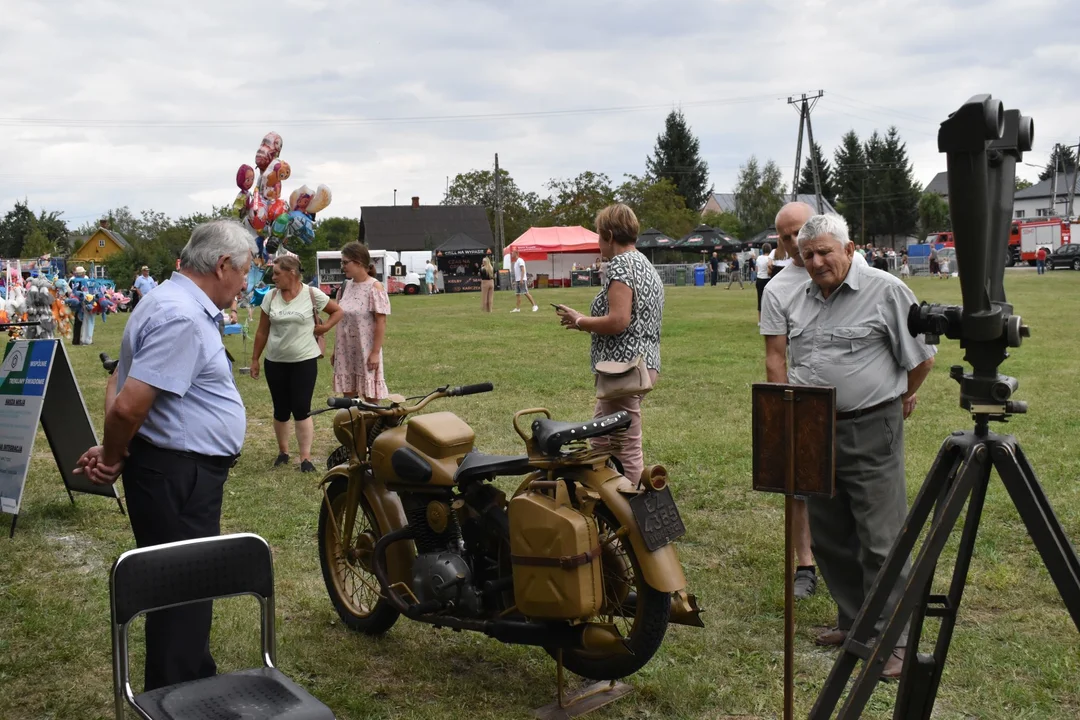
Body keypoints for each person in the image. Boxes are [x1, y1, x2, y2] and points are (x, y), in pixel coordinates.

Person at [74, 219, 255, 692]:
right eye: (246, 271)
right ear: (223, 265)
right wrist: (113, 455)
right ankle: (176, 697)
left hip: (175, 471)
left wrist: (117, 448)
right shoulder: (182, 316)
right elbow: (130, 404)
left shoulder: (166, 300)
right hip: (179, 474)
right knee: (183, 590)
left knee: (188, 588)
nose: (246, 283)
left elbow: (127, 392)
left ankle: (194, 679)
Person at [788, 214, 936, 680]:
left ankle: (895, 641)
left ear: (849, 249)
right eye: (807, 254)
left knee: (881, 539)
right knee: (831, 537)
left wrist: (899, 397)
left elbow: (922, 357)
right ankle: (855, 624)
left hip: (870, 427)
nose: (816, 261)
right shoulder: (802, 296)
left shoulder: (887, 290)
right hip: (814, 430)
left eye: (825, 252)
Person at [554, 203, 664, 483]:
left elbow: (618, 320)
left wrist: (580, 321)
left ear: (610, 235)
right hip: (644, 365)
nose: (598, 242)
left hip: (623, 370)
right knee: (601, 441)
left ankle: (639, 511)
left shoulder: (621, 266)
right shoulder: (644, 264)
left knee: (625, 448)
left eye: (599, 235)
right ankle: (604, 497)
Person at [759, 202, 819, 599]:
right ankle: (806, 564)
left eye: (801, 231)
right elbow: (775, 356)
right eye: (786, 236)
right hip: (805, 398)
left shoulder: (858, 267)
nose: (795, 242)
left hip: (857, 402)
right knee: (798, 485)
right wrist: (782, 406)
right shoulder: (779, 288)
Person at [250, 255, 344, 472]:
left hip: (304, 361)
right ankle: (283, 452)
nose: (273, 278)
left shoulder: (311, 294)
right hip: (275, 361)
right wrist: (255, 359)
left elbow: (338, 311)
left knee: (302, 408)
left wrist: (325, 327)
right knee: (281, 409)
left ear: (291, 273)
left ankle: (305, 458)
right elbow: (262, 331)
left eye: (276, 273)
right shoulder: (270, 297)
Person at [331, 242, 391, 402]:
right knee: (348, 401)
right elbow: (340, 320)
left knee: (371, 400)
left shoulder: (375, 288)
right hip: (346, 352)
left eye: (345, 262)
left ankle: (372, 428)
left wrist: (375, 353)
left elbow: (381, 322)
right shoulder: (344, 287)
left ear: (358, 262)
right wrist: (335, 351)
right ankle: (353, 427)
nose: (342, 266)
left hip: (366, 351)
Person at [755, 243, 774, 321]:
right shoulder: (770, 258)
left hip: (759, 278)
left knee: (760, 299)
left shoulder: (758, 258)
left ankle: (760, 320)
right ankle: (768, 318)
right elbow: (770, 270)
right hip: (767, 279)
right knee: (769, 300)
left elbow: (757, 269)